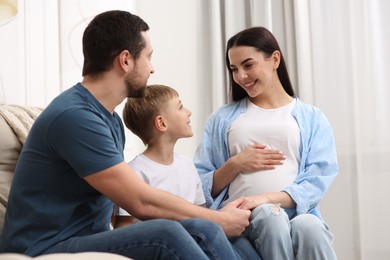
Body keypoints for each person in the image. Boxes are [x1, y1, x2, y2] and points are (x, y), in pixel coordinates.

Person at [0, 10, 251, 259]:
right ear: (125, 60)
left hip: (87, 237)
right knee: (167, 233)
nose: (152, 69)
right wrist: (220, 218)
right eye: (148, 57)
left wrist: (214, 221)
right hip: (45, 246)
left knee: (203, 228)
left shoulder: (110, 120)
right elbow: (140, 201)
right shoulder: (75, 117)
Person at [194, 26, 338, 260]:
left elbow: (319, 177)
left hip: (297, 213)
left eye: (248, 65)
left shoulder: (312, 118)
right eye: (234, 69)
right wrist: (236, 164)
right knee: (271, 217)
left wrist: (265, 198)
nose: (241, 76)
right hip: (244, 219)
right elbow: (199, 183)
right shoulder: (222, 118)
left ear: (275, 59)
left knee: (310, 228)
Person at [112, 84, 206, 228]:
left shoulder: (187, 165)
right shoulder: (134, 173)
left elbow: (203, 215)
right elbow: (123, 228)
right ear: (161, 123)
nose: (189, 112)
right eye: (180, 107)